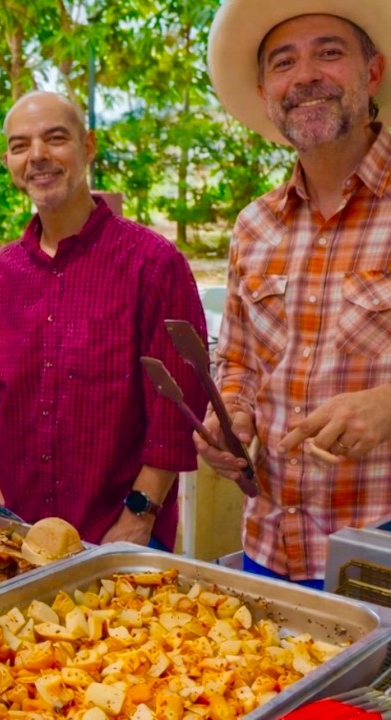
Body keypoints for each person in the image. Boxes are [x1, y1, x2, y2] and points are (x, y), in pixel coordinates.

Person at [201, 0, 391, 587]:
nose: (305, 74)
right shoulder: (254, 225)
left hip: (378, 544)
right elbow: (236, 361)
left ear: (373, 73)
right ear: (266, 92)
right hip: (270, 543)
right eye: (284, 62)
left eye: (329, 52)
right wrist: (229, 415)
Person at [0, 91, 208, 549]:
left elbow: (176, 410)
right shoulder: (3, 272)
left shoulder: (153, 263)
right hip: (22, 529)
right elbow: (0, 397)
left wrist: (138, 517)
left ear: (88, 147)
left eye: (55, 138)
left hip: (118, 532)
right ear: (8, 159)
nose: (39, 156)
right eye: (21, 145)